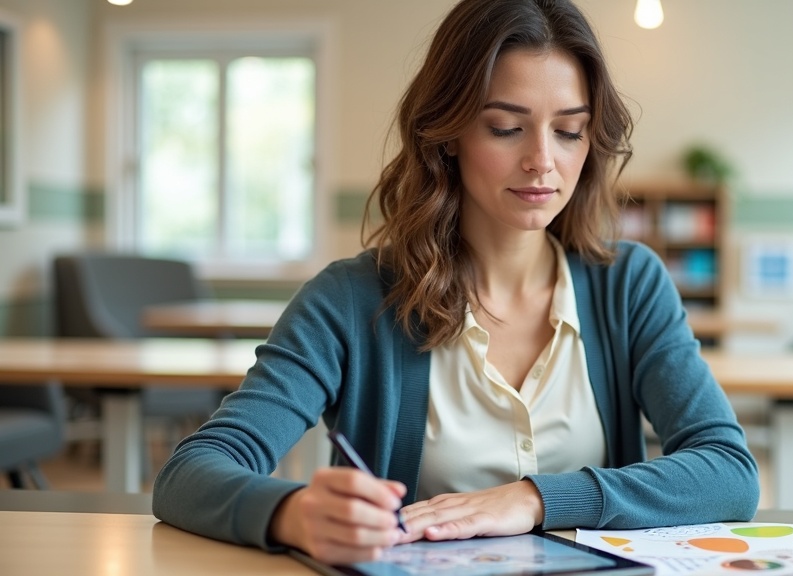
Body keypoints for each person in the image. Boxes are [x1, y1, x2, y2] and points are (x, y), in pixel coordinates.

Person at [152, 0, 760, 565]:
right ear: (447, 135)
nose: (543, 160)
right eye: (505, 127)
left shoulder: (629, 284)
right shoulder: (348, 300)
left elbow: (729, 472)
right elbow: (190, 474)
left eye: (569, 130)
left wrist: (534, 499)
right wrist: (291, 512)